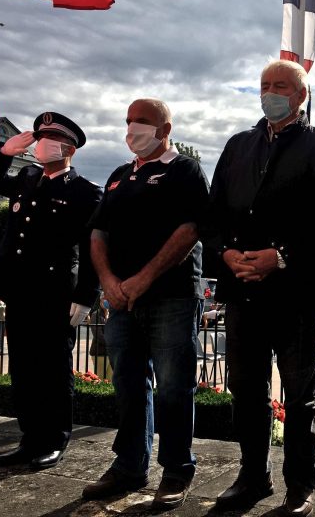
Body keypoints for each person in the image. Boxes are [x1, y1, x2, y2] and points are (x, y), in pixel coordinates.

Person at [207, 59, 315, 517]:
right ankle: (252, 476)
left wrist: (280, 256)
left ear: (300, 95)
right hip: (243, 286)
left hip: (294, 291)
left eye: (280, 85)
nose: (270, 92)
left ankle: (300, 483)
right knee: (245, 389)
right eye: (265, 85)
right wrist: (226, 254)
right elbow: (216, 213)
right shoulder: (238, 144)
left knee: (299, 395)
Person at [83, 98, 210, 510]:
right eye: (128, 120)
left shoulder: (184, 170)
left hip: (170, 295)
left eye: (143, 121)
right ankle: (129, 465)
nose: (133, 127)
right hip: (121, 299)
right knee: (128, 383)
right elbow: (98, 232)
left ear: (165, 128)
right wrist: (109, 282)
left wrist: (142, 278)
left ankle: (176, 470)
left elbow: (191, 228)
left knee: (174, 387)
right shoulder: (119, 176)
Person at [0, 113, 103, 470]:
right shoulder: (28, 178)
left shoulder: (84, 192)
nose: (41, 143)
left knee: (52, 371)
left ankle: (53, 440)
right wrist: (4, 151)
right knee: (23, 370)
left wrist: (86, 296)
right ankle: (29, 438)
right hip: (19, 291)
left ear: (68, 148)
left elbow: (93, 247)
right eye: (40, 137)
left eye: (49, 138)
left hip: (54, 296)